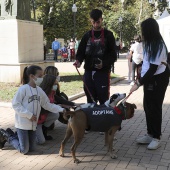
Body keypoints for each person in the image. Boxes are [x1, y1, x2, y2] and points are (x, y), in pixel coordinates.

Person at [0, 65, 66, 154]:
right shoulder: (23, 89)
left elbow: (46, 104)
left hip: (33, 125)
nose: (42, 78)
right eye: (40, 76)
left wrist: (61, 109)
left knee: (32, 148)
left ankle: (14, 136)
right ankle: (7, 135)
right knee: (24, 150)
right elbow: (16, 104)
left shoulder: (39, 90)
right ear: (31, 76)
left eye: (42, 76)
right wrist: (29, 115)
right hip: (22, 124)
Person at [130, 18, 169, 150]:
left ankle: (156, 137)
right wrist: (140, 68)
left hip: (159, 78)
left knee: (155, 107)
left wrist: (138, 83)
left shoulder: (158, 45)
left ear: (149, 31)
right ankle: (150, 133)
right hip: (150, 78)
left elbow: (153, 68)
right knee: (147, 106)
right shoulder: (148, 43)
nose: (142, 34)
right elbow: (147, 63)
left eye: (143, 31)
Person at [74, 9, 117, 105]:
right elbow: (80, 52)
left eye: (98, 22)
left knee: (104, 100)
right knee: (90, 100)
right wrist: (78, 61)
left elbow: (113, 55)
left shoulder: (108, 35)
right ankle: (92, 119)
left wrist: (104, 63)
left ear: (102, 19)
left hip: (103, 73)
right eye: (94, 22)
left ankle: (103, 119)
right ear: (90, 21)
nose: (96, 25)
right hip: (88, 72)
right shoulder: (86, 36)